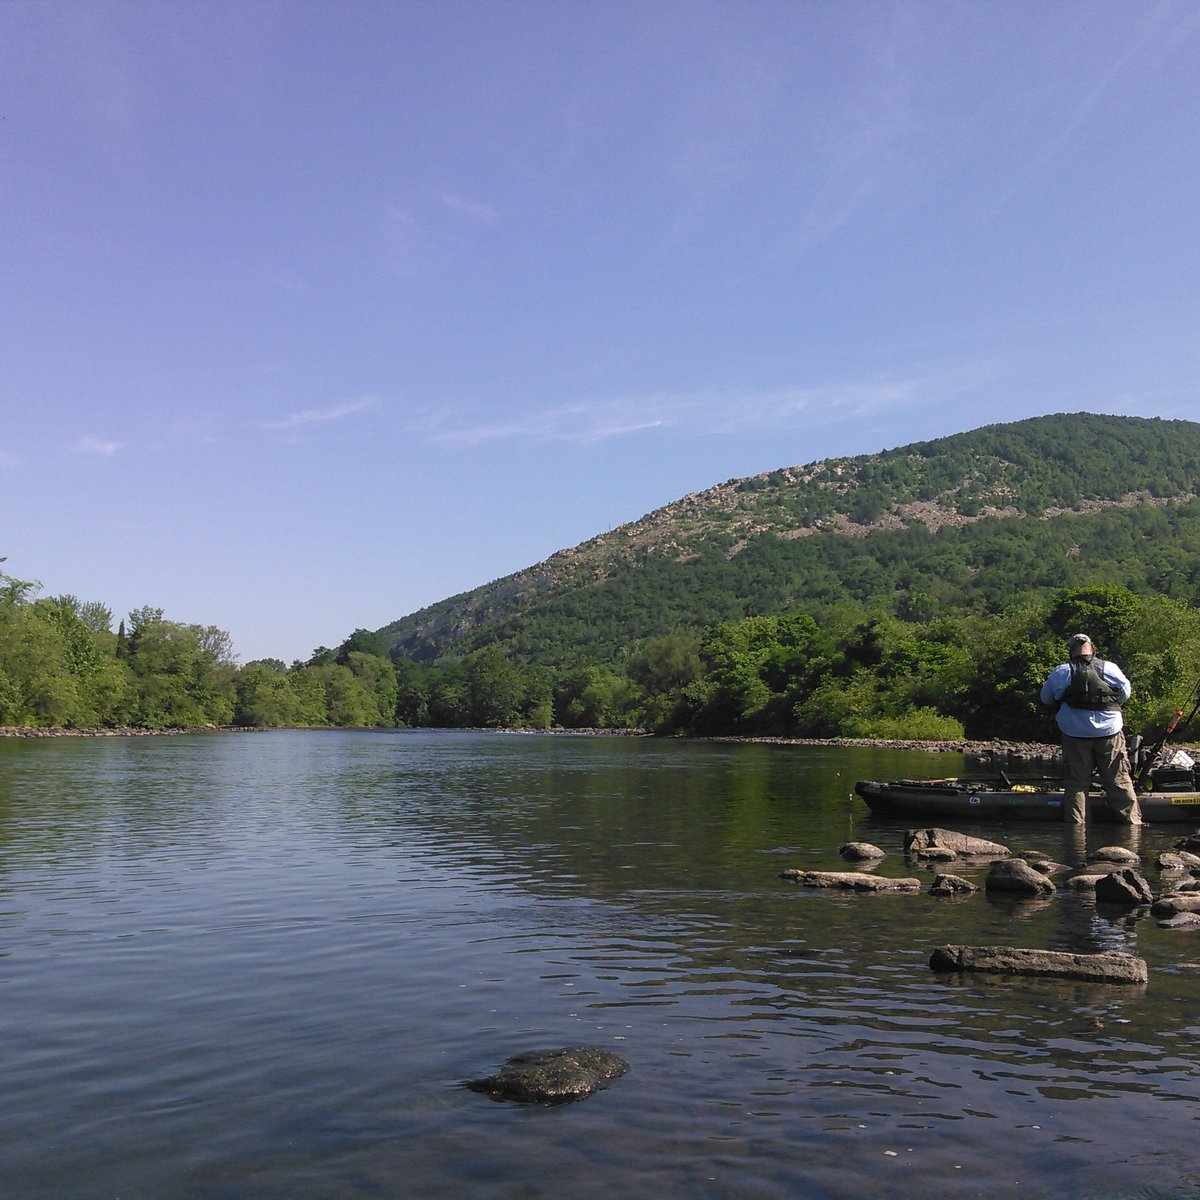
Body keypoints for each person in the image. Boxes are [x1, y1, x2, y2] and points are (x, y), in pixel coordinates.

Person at [1040, 633, 1141, 825]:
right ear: (1093, 649)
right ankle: (1132, 825)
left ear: (1071, 651)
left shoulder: (1061, 672)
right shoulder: (1110, 667)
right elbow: (1125, 694)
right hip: (1110, 732)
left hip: (1075, 733)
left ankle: (1076, 830)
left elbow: (1046, 698)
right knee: (1118, 780)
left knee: (1077, 783)